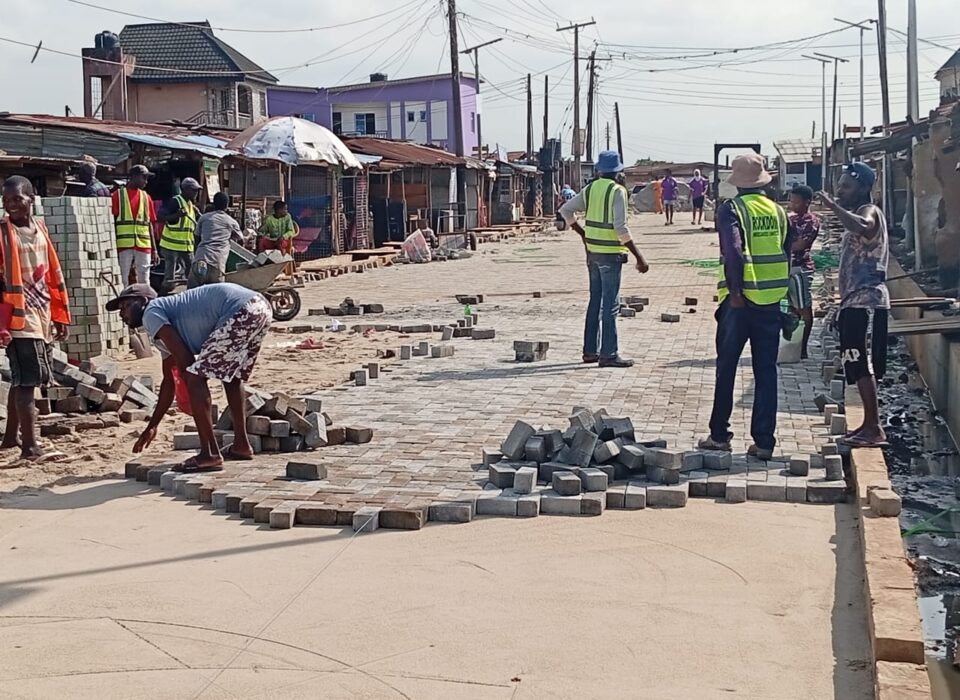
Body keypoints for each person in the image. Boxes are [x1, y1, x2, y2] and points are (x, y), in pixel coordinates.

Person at [108, 282, 272, 472]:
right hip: (260, 306)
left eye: (125, 306)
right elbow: (169, 382)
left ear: (143, 301)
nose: (122, 314)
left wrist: (194, 389)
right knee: (232, 377)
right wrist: (152, 426)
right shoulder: (164, 321)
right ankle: (241, 446)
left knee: (195, 378)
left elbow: (185, 361)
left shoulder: (151, 313)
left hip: (240, 309)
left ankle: (209, 454)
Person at [698, 153, 791, 460]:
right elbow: (788, 251)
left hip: (740, 302)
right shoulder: (778, 211)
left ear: (736, 183)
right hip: (770, 301)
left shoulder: (731, 210)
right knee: (766, 371)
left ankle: (720, 436)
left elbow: (734, 250)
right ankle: (764, 442)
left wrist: (736, 291)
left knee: (726, 367)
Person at [0, 176, 71, 461]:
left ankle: (9, 438)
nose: (12, 206)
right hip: (18, 317)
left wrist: (60, 315)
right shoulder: (3, 234)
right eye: (7, 201)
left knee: (21, 379)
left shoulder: (40, 229)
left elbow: (52, 274)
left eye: (17, 199)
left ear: (32, 198)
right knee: (29, 381)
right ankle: (30, 446)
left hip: (41, 314)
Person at [819, 163, 889, 448]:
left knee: (865, 364)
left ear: (862, 187)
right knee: (856, 363)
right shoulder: (859, 213)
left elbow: (862, 226)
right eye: (839, 185)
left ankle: (874, 427)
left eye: (846, 186)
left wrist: (832, 206)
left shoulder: (868, 212)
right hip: (854, 302)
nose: (840, 190)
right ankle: (868, 425)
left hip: (867, 300)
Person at [559, 150, 650, 368]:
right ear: (619, 172)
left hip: (592, 252)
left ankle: (590, 351)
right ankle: (608, 354)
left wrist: (583, 235)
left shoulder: (591, 189)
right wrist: (639, 257)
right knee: (610, 304)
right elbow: (621, 227)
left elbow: (566, 210)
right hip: (610, 255)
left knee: (595, 301)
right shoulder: (618, 191)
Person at [787, 185, 821, 359]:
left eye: (796, 201)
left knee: (804, 308)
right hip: (787, 268)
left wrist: (780, 248)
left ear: (807, 202)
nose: (792, 204)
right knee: (792, 308)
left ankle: (803, 348)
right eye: (791, 201)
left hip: (801, 269)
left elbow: (801, 245)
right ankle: (792, 345)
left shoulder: (811, 221)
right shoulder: (790, 219)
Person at [112, 164, 156, 285]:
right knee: (122, 278)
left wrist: (154, 250)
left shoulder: (146, 197)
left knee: (145, 279)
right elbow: (113, 221)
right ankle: (123, 303)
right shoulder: (118, 196)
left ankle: (146, 303)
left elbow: (149, 224)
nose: (146, 181)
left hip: (143, 245)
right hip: (124, 245)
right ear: (134, 177)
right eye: (144, 177)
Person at [188, 192, 241, 288]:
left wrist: (196, 255)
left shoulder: (203, 218)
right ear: (226, 206)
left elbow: (196, 238)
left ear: (213, 204)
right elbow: (241, 239)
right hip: (217, 263)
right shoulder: (231, 222)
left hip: (200, 258)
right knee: (216, 298)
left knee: (191, 296)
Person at [158, 177, 201, 290]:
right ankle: (165, 295)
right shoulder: (175, 202)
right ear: (185, 190)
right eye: (194, 190)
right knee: (170, 276)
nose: (196, 193)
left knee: (191, 272)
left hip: (186, 246)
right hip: (171, 245)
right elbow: (160, 217)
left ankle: (191, 294)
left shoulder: (190, 205)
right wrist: (176, 215)